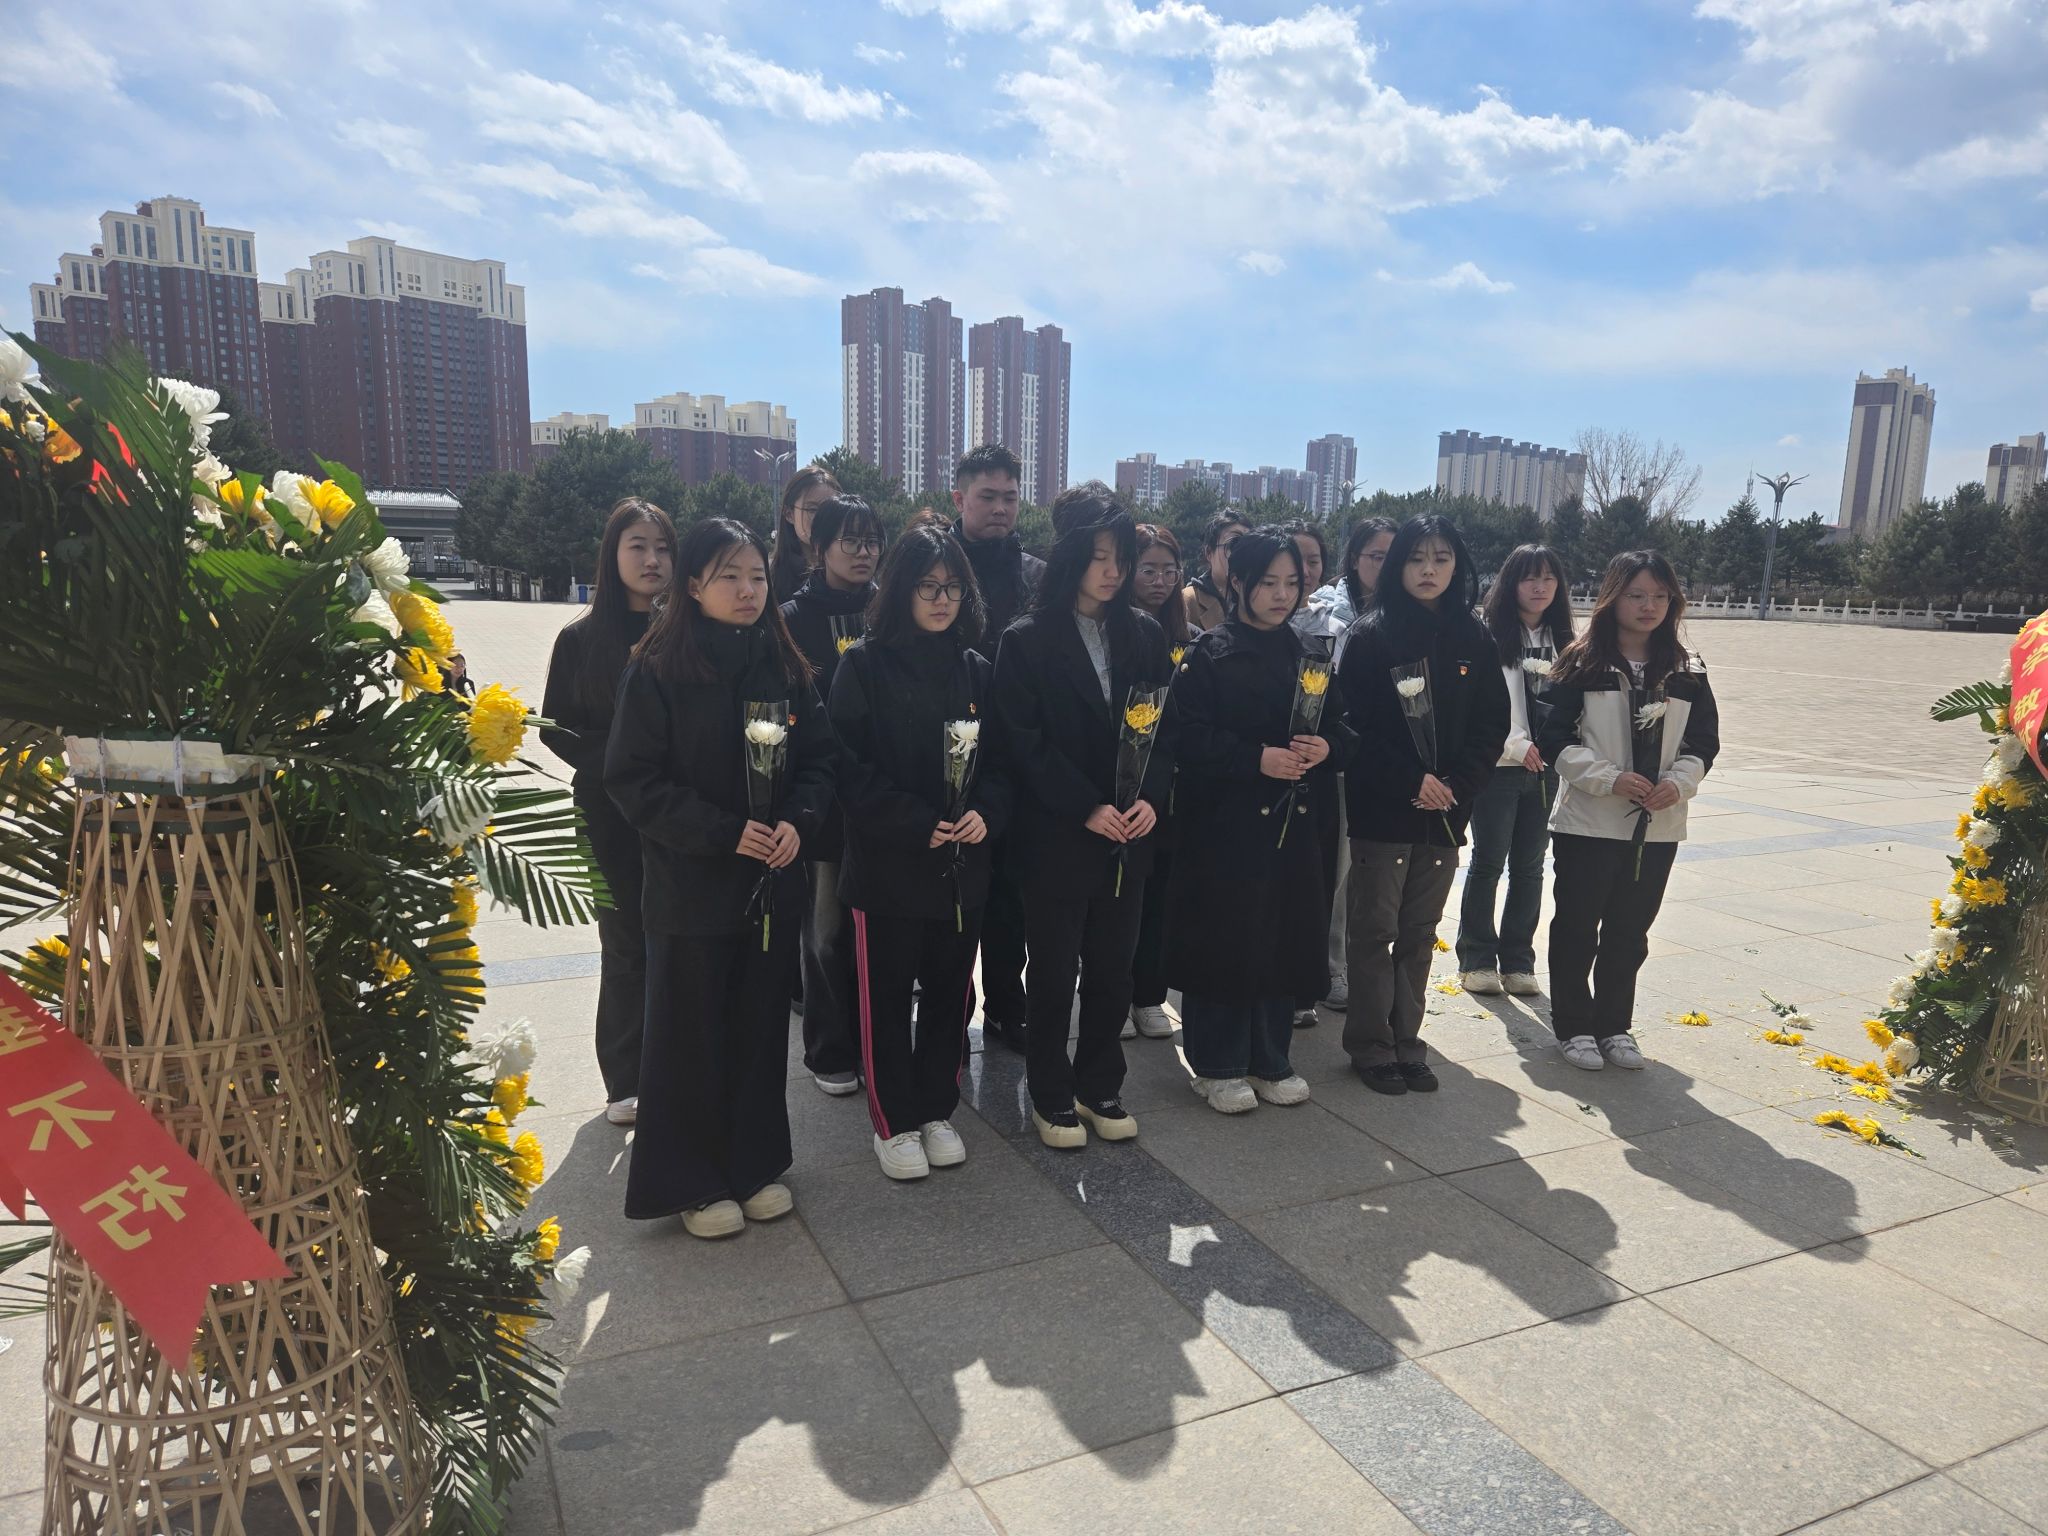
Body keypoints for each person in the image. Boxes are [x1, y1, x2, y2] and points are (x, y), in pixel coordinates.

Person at [605, 518, 835, 1238]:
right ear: (695, 584)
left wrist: (798, 820)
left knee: (759, 1031)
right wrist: (721, 832)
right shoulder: (657, 668)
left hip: (770, 884)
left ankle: (753, 1164)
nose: (747, 590)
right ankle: (694, 1183)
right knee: (691, 1037)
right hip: (692, 888)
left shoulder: (784, 666)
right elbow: (633, 779)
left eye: (757, 576)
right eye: (729, 576)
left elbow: (822, 761)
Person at [992, 482, 1173, 1148]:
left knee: (1112, 967)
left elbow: (1166, 730)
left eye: (1121, 557)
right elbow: (1022, 743)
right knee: (1053, 969)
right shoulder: (1028, 639)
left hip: (1129, 833)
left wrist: (1150, 797)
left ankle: (1100, 1085)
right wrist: (1086, 806)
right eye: (1098, 556)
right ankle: (1049, 1092)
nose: (1112, 571)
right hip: (1058, 834)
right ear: (1070, 556)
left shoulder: (1144, 634)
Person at [829, 525, 1010, 1180]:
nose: (941, 600)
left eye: (953, 588)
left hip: (960, 867)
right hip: (889, 866)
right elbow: (845, 766)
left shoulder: (975, 670)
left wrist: (985, 813)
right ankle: (894, 1121)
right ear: (901, 589)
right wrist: (912, 820)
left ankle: (936, 1108)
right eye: (928, 587)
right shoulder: (863, 666)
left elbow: (1002, 764)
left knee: (951, 993)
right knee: (884, 999)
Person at [1337, 515, 1508, 1096]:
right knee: (1373, 931)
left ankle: (1408, 1040)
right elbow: (1353, 727)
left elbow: (1492, 723)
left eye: (1441, 558)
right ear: (1397, 565)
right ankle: (1370, 1045)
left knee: (1419, 933)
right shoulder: (1371, 634)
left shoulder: (1474, 635)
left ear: (1458, 565)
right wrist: (1412, 778)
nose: (1428, 570)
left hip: (1445, 814)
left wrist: (1456, 784)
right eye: (1415, 558)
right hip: (1384, 812)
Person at [1169, 529, 1336, 1114]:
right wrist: (1253, 759)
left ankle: (1270, 1057)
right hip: (1225, 825)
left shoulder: (1311, 653)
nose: (1282, 594)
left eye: (1292, 582)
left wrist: (1327, 748)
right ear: (1237, 582)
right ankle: (1216, 1064)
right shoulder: (1208, 654)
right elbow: (1184, 737)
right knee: (1226, 937)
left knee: (1281, 936)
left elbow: (1341, 726)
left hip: (1292, 824)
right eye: (1268, 582)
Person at [1538, 551, 1719, 1072]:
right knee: (1577, 926)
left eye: (1660, 596)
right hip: (1589, 822)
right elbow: (1554, 739)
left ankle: (1615, 1025)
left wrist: (1677, 784)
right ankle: (1574, 1025)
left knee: (1630, 931)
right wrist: (1609, 778)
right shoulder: (1581, 663)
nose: (1649, 606)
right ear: (1613, 598)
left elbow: (1703, 743)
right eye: (1637, 595)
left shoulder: (1687, 669)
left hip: (1657, 826)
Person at [540, 499, 675, 1127]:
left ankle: (675, 1065)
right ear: (612, 553)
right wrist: (622, 764)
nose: (652, 560)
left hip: (676, 811)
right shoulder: (580, 639)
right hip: (606, 812)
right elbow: (555, 728)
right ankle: (625, 1079)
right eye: (637, 546)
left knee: (676, 938)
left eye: (663, 548)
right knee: (623, 942)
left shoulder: (685, 632)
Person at [779, 495, 885, 1096]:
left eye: (872, 541)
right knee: (824, 933)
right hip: (822, 801)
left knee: (878, 934)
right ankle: (830, 1049)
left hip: (882, 799)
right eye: (850, 540)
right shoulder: (791, 619)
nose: (864, 552)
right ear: (819, 548)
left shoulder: (890, 611)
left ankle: (875, 1042)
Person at [950, 442, 1044, 1053]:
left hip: (1018, 756)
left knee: (1011, 898)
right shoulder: (935, 567)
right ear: (959, 498)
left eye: (1010, 497)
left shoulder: (1037, 575)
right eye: (987, 497)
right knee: (951, 898)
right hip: (948, 752)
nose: (1000, 509)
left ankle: (1009, 1007)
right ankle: (949, 1014)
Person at [1458, 545, 1576, 998]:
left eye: (1548, 578)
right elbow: (1480, 705)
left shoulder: (1566, 641)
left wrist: (1555, 747)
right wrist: (1517, 744)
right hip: (1499, 768)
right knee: (1488, 862)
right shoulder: (1487, 635)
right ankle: (1476, 959)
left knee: (1530, 867)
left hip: (1546, 769)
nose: (1539, 587)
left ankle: (1518, 961)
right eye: (1529, 578)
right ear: (1511, 583)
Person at [1304, 516, 1396, 1012]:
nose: (1385, 566)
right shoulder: (1326, 615)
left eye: (1394, 556)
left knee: (1373, 874)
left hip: (1386, 761)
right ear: (1354, 559)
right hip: (1336, 759)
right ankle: (1330, 965)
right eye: (1376, 556)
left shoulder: (1408, 613)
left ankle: (1359, 965)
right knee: (1336, 873)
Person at [1125, 523, 1196, 1042]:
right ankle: (1112, 990)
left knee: (1161, 897)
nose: (1160, 581)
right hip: (1125, 786)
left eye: (1169, 571)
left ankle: (1148, 996)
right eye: (1148, 569)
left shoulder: (1185, 635)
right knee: (1122, 898)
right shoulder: (1118, 631)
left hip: (1174, 787)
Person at [1282, 519, 1343, 1030]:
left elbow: (1347, 719)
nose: (1302, 572)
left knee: (1313, 887)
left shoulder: (1333, 632)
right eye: (1291, 561)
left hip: (1314, 784)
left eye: (1313, 561)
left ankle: (1305, 986)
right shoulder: (1226, 642)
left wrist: (1329, 746)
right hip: (1256, 787)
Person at [770, 465, 842, 598]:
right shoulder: (768, 579)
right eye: (813, 510)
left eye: (831, 510)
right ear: (789, 514)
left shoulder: (851, 572)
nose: (824, 517)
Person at [1182, 511, 1250, 632]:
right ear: (1209, 552)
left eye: (1248, 546)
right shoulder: (1189, 600)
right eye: (1233, 545)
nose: (1241, 553)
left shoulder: (1258, 597)